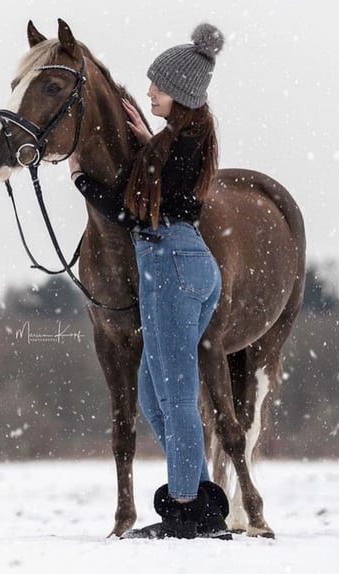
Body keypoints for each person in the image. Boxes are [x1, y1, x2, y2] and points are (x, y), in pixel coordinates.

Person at [69, 23, 232, 540]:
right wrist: (147, 140)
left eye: (156, 87)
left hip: (169, 265)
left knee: (177, 396)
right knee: (151, 393)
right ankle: (202, 501)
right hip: (187, 264)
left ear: (179, 92)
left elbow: (135, 214)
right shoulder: (186, 137)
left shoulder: (182, 144)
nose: (148, 93)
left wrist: (82, 180)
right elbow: (166, 176)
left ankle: (184, 512)